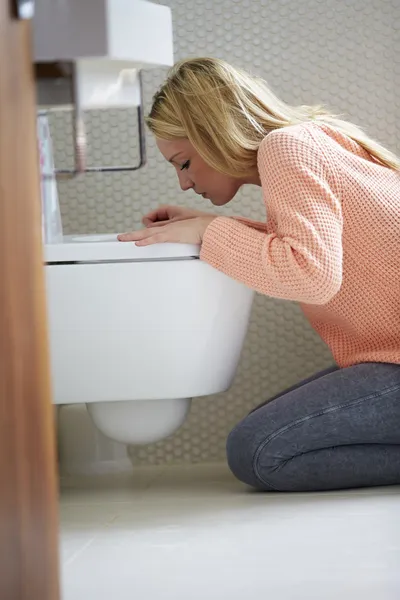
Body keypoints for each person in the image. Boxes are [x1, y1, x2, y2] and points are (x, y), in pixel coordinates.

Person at [118, 57, 400, 492]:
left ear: (214, 134)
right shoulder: (314, 139)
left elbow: (311, 275)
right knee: (259, 433)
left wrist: (211, 230)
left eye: (184, 163)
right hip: (389, 360)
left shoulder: (285, 147)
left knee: (258, 450)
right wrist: (206, 225)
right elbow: (322, 249)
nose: (183, 183)